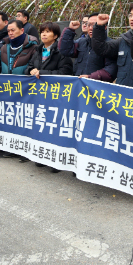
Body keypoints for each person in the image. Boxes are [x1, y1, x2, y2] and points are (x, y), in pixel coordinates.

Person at [25, 21, 72, 169]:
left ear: (56, 35)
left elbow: (65, 73)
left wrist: (42, 73)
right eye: (42, 31)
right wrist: (31, 71)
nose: (44, 34)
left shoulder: (61, 52)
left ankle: (56, 160)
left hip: (56, 96)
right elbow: (30, 67)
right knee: (41, 125)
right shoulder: (38, 50)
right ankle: (42, 155)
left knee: (55, 127)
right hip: (39, 96)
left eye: (48, 31)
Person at [92, 2, 133, 89]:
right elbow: (102, 49)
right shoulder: (125, 40)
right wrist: (99, 27)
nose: (132, 19)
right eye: (130, 15)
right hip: (122, 95)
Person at [58, 12, 117, 81]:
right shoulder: (81, 42)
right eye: (88, 25)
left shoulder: (109, 45)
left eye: (95, 25)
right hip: (80, 84)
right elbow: (65, 50)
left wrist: (91, 77)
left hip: (97, 87)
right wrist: (70, 30)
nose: (91, 28)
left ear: (105, 27)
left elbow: (111, 70)